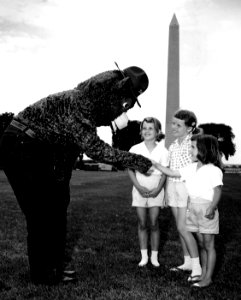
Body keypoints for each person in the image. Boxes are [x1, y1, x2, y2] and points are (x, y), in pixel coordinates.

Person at [0, 65, 153, 285]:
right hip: (21, 145)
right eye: (126, 104)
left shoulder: (87, 106)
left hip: (40, 149)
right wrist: (137, 160)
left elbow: (68, 150)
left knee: (58, 206)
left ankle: (55, 265)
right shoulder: (80, 105)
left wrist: (62, 185)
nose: (124, 111)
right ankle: (44, 275)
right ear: (117, 92)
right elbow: (95, 149)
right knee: (40, 213)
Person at [152, 134, 223, 288]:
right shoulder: (191, 168)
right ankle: (203, 274)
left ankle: (208, 278)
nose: (189, 151)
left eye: (192, 147)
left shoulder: (213, 170)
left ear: (203, 150)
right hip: (193, 208)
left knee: (209, 245)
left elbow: (217, 191)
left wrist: (212, 207)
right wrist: (155, 164)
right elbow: (172, 173)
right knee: (202, 244)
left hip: (206, 209)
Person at [165, 109, 201, 276]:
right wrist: (166, 191)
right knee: (180, 229)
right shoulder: (173, 145)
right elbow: (169, 169)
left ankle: (197, 268)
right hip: (173, 187)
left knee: (184, 227)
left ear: (189, 128)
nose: (173, 127)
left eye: (178, 125)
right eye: (173, 123)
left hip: (186, 188)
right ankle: (187, 262)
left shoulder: (192, 144)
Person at [128, 117, 168, 267]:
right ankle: (144, 256)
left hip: (156, 189)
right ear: (141, 131)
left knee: (154, 222)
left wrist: (158, 189)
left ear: (157, 132)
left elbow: (164, 173)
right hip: (139, 187)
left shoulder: (163, 150)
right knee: (142, 223)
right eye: (144, 128)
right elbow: (130, 169)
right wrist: (138, 186)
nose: (147, 131)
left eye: (151, 128)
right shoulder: (135, 149)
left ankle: (154, 257)